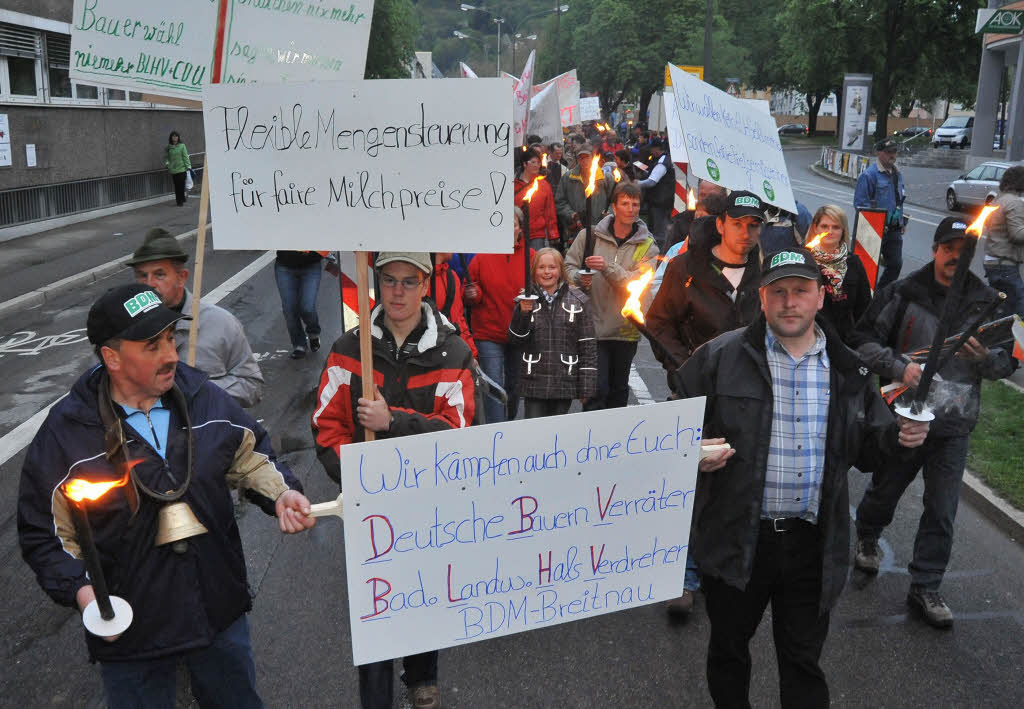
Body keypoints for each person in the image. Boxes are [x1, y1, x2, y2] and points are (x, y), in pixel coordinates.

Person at [17, 284, 314, 708]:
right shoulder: (67, 435)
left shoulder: (202, 397)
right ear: (112, 357)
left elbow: (251, 455)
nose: (171, 354)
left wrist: (283, 494)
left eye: (171, 338)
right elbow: (46, 535)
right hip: (134, 635)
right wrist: (88, 598)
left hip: (217, 612)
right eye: (152, 345)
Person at [676, 248, 930, 708]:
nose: (789, 302)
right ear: (762, 297)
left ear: (819, 298)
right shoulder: (718, 357)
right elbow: (671, 433)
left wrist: (902, 438)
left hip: (812, 545)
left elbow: (871, 450)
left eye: (800, 291)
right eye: (778, 292)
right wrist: (689, 453)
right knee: (729, 652)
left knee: (802, 662)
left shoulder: (849, 369)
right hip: (736, 539)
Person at [312, 253, 474, 709]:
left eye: (408, 281)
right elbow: (327, 427)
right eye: (388, 281)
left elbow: (457, 434)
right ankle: (375, 695)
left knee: (424, 590)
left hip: (427, 503)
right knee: (375, 602)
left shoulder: (454, 353)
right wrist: (360, 478)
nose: (398, 292)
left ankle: (423, 673)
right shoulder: (349, 349)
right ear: (377, 284)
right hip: (369, 508)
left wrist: (394, 422)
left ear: (426, 284)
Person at [851, 217, 1016, 628]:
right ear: (936, 250)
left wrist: (984, 360)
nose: (954, 258)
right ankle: (868, 535)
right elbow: (863, 340)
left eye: (963, 252)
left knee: (941, 510)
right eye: (948, 249)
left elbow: (1005, 363)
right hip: (906, 419)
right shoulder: (904, 293)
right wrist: (898, 364)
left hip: (954, 425)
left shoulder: (986, 302)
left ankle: (926, 585)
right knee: (885, 492)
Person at [645, 190, 765, 618]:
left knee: (740, 482)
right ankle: (684, 575)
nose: (746, 233)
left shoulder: (767, 272)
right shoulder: (687, 268)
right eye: (738, 224)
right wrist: (685, 367)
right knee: (693, 484)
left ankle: (731, 569)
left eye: (754, 226)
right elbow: (658, 323)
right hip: (696, 396)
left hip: (752, 399)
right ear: (721, 224)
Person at [128, 227, 263, 407]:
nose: (150, 284)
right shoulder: (123, 327)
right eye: (142, 276)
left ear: (182, 277)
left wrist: (199, 391)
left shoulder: (221, 324)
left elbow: (252, 387)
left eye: (159, 274)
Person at [565, 182, 659, 410]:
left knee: (618, 391)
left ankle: (615, 440)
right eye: (625, 203)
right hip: (592, 326)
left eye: (635, 204)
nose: (631, 209)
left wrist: (607, 268)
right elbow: (567, 268)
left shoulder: (648, 245)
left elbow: (636, 284)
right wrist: (579, 277)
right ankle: (592, 438)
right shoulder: (589, 236)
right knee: (597, 390)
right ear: (614, 207)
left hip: (625, 329)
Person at [508, 247, 598, 417]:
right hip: (534, 382)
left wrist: (586, 386)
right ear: (534, 271)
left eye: (552, 267)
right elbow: (515, 340)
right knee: (535, 433)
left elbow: (588, 346)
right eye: (541, 267)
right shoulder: (525, 301)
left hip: (564, 381)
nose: (547, 272)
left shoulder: (579, 301)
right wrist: (522, 314)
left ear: (561, 270)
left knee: (559, 436)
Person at [466, 209, 534, 422]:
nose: (507, 228)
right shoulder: (481, 257)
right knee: (494, 386)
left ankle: (509, 424)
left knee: (515, 386)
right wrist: (471, 294)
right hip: (488, 333)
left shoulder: (531, 257)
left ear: (520, 229)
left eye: (512, 224)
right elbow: (468, 295)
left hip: (520, 332)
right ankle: (497, 432)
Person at [804, 205, 871, 345]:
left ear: (843, 231)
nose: (830, 231)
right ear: (815, 228)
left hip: (845, 340)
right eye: (824, 226)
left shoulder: (853, 263)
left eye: (835, 227)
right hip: (809, 337)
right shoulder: (804, 260)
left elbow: (864, 307)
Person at [650, 192, 729, 300]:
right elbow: (657, 282)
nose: (697, 223)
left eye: (702, 218)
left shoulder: (728, 254)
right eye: (696, 217)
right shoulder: (678, 249)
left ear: (719, 223)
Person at [854, 138, 907, 289]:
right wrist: (874, 223)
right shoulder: (869, 175)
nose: (892, 155)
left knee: (896, 264)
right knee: (867, 268)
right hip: (873, 229)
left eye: (894, 152)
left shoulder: (897, 174)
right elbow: (860, 203)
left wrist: (901, 222)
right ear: (879, 153)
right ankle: (865, 296)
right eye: (889, 152)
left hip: (893, 229)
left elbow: (899, 198)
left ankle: (880, 294)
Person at [982, 164, 1024, 318]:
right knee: (1017, 314)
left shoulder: (997, 201)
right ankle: (1005, 342)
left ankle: (994, 339)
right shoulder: (1015, 202)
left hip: (993, 262)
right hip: (1004, 266)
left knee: (1001, 310)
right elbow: (1017, 234)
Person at [554, 146, 613, 248]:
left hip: (601, 227)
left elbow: (615, 200)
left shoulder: (605, 178)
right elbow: (560, 202)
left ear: (593, 158)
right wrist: (572, 215)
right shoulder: (568, 178)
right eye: (581, 158)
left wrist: (609, 213)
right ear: (577, 160)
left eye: (587, 157)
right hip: (576, 229)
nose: (584, 160)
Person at [274, 250, 324, 359]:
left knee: (307, 308)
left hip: (311, 266)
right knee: (289, 309)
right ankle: (299, 344)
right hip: (284, 267)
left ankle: (313, 333)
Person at [514, 147, 559, 249]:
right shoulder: (513, 186)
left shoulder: (544, 185)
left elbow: (550, 212)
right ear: (525, 164)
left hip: (537, 235)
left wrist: (553, 234)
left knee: (536, 262)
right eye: (533, 162)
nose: (536, 165)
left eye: (538, 162)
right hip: (517, 233)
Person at [665, 179, 728, 251]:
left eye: (712, 196)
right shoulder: (682, 221)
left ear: (724, 196)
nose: (706, 200)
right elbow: (668, 255)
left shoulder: (732, 220)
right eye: (703, 195)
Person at [637, 137, 676, 249]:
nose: (651, 152)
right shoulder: (663, 159)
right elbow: (652, 172)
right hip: (662, 200)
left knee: (659, 230)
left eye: (652, 149)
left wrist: (637, 183)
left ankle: (659, 253)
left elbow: (651, 182)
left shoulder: (662, 163)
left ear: (656, 149)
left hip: (660, 201)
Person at [163, 131, 192, 207]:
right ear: (171, 138)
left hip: (182, 169)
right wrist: (167, 164)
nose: (175, 137)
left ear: (178, 137)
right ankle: (179, 200)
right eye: (173, 136)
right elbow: (166, 157)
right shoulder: (168, 147)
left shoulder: (182, 146)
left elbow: (185, 156)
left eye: (176, 136)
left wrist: (188, 166)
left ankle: (181, 200)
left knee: (181, 185)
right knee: (176, 185)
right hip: (173, 169)